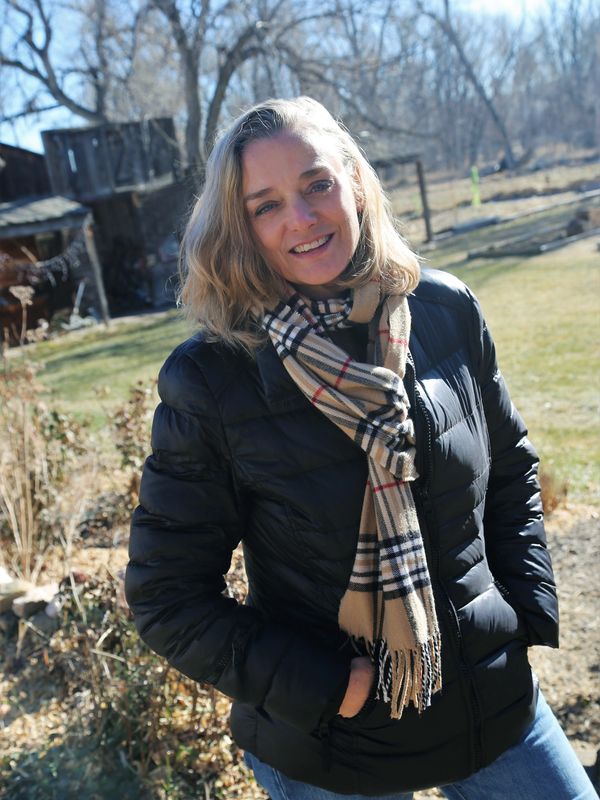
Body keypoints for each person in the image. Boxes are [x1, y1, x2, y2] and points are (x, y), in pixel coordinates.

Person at [125, 97, 596, 799]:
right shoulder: (215, 379)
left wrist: (522, 610)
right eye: (266, 205)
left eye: (317, 184)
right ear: (241, 228)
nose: (302, 217)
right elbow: (166, 594)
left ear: (353, 180)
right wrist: (325, 687)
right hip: (335, 749)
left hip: (491, 705)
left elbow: (510, 470)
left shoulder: (445, 311)